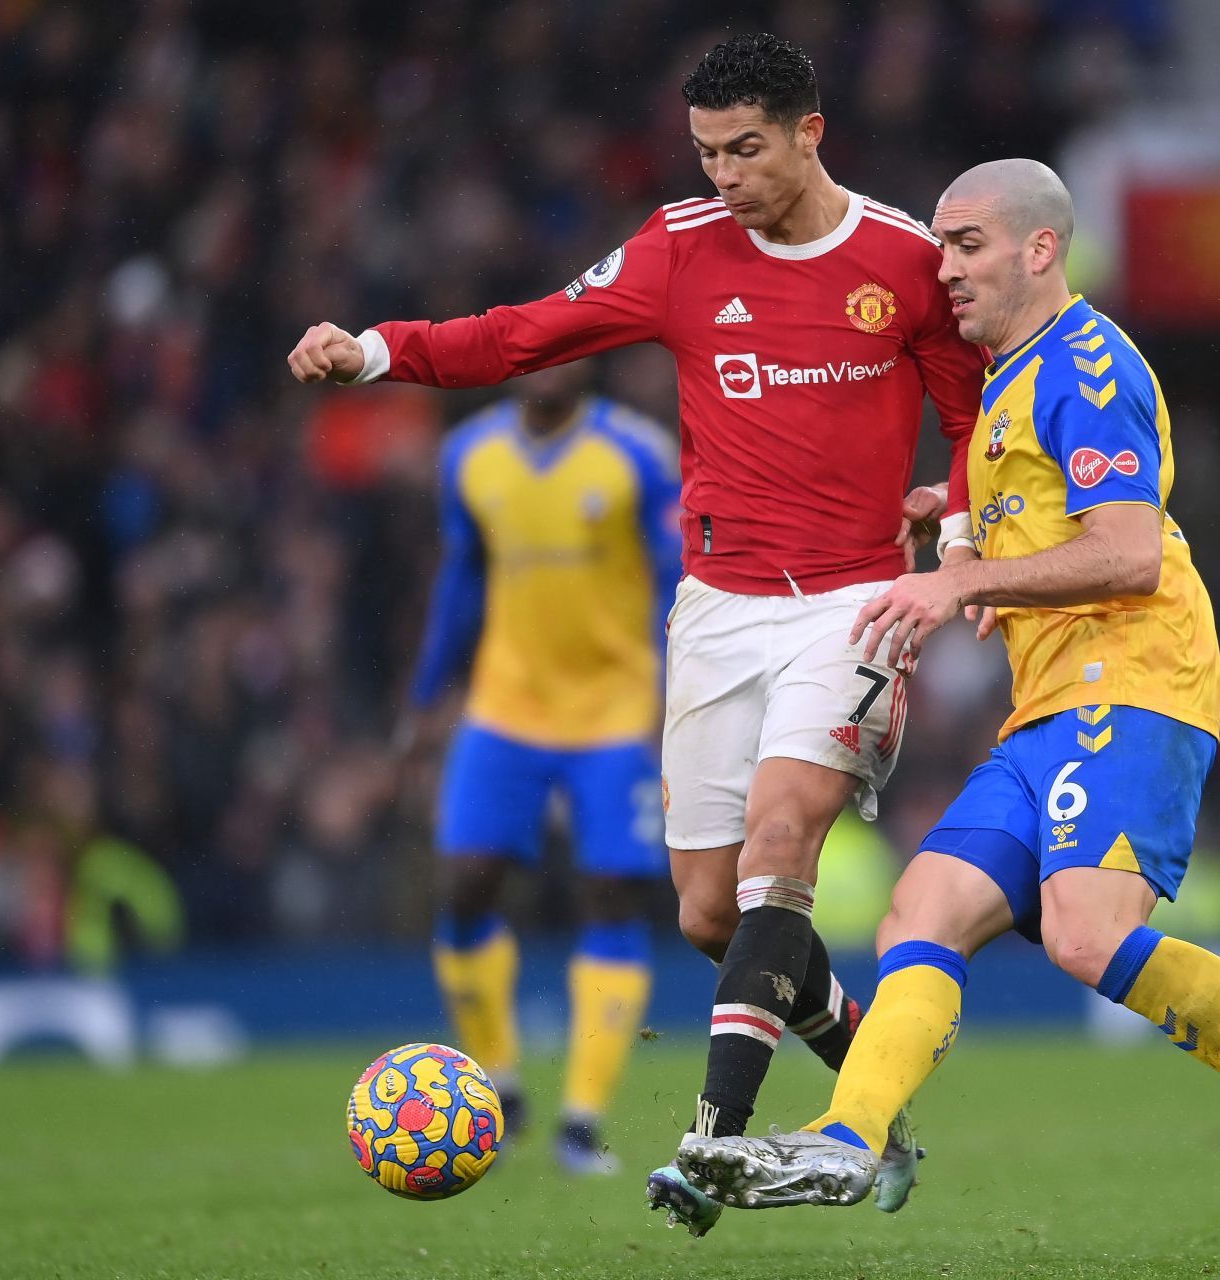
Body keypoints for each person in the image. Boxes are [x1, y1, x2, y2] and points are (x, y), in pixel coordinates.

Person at [676, 160, 1220, 1271]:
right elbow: (1043, 511)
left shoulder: (1087, 364)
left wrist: (958, 584)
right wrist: (959, 522)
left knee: (1086, 934)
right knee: (917, 917)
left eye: (968, 245)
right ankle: (847, 1138)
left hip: (1133, 678)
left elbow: (1130, 549)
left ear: (1042, 249)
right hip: (1050, 703)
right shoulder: (1008, 382)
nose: (945, 270)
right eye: (939, 246)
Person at [286, 33, 986, 1234]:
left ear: (811, 132)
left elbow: (975, 416)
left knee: (781, 847)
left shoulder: (904, 261)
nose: (724, 175)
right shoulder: (678, 247)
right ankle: (876, 1099)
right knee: (710, 914)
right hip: (716, 610)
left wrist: (962, 540)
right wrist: (377, 353)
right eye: (708, 151)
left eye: (747, 150)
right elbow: (527, 334)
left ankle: (712, 1140)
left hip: (851, 601)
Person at [400, 358, 679, 1175]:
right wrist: (425, 698)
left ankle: (582, 1118)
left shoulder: (637, 454)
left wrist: (675, 699)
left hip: (615, 710)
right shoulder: (469, 456)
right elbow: (461, 581)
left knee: (611, 890)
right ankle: (502, 1082)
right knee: (466, 881)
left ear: (591, 359)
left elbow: (674, 584)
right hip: (504, 707)